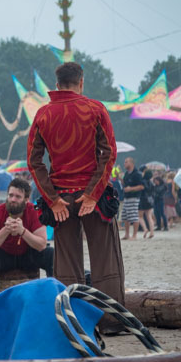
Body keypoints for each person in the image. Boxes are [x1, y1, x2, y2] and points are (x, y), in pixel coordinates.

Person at [27, 62, 124, 333]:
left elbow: (34, 161)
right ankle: (111, 322)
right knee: (105, 260)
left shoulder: (43, 114)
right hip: (94, 199)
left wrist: (52, 199)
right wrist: (92, 194)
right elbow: (109, 153)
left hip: (61, 201)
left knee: (67, 264)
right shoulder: (95, 109)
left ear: (56, 84)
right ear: (81, 82)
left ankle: (72, 321)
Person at [0, 179, 54, 278]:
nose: (13, 199)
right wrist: (6, 229)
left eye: (18, 197)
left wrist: (22, 231)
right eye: (10, 195)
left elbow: (42, 245)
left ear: (27, 199)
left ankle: (53, 285)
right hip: (3, 257)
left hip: (27, 255)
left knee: (51, 254)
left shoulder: (35, 211)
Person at [121, 158, 144, 240]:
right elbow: (125, 183)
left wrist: (130, 189)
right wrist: (119, 178)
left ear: (131, 163)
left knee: (134, 216)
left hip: (134, 197)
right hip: (126, 197)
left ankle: (134, 235)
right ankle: (127, 234)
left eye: (126, 162)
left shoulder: (137, 174)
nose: (124, 163)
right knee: (125, 216)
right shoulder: (127, 173)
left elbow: (141, 186)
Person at [138, 169, 156, 239]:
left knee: (140, 216)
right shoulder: (151, 182)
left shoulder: (142, 181)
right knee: (149, 217)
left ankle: (145, 229)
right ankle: (152, 232)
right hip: (149, 200)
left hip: (142, 199)